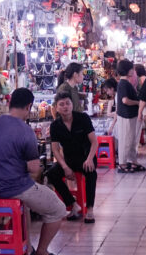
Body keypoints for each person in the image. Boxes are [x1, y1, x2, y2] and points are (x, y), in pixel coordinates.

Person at [0, 88, 67, 255]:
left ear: (10, 103)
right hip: (16, 187)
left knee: (26, 209)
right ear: (29, 106)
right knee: (58, 209)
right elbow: (34, 168)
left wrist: (3, 156)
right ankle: (42, 251)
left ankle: (27, 248)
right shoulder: (25, 130)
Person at [47, 91, 99, 223]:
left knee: (91, 173)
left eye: (68, 103)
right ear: (57, 107)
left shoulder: (83, 118)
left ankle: (90, 209)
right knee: (51, 173)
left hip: (86, 156)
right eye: (62, 104)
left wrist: (89, 159)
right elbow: (55, 149)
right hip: (69, 159)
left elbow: (94, 142)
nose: (65, 107)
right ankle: (73, 204)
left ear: (72, 104)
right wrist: (64, 167)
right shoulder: (55, 126)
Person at [115, 59, 145, 173]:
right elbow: (125, 100)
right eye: (131, 69)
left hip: (130, 115)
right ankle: (122, 164)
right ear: (127, 70)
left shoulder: (126, 83)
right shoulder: (123, 84)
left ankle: (133, 161)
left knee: (132, 140)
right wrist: (138, 103)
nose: (133, 71)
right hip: (126, 115)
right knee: (126, 140)